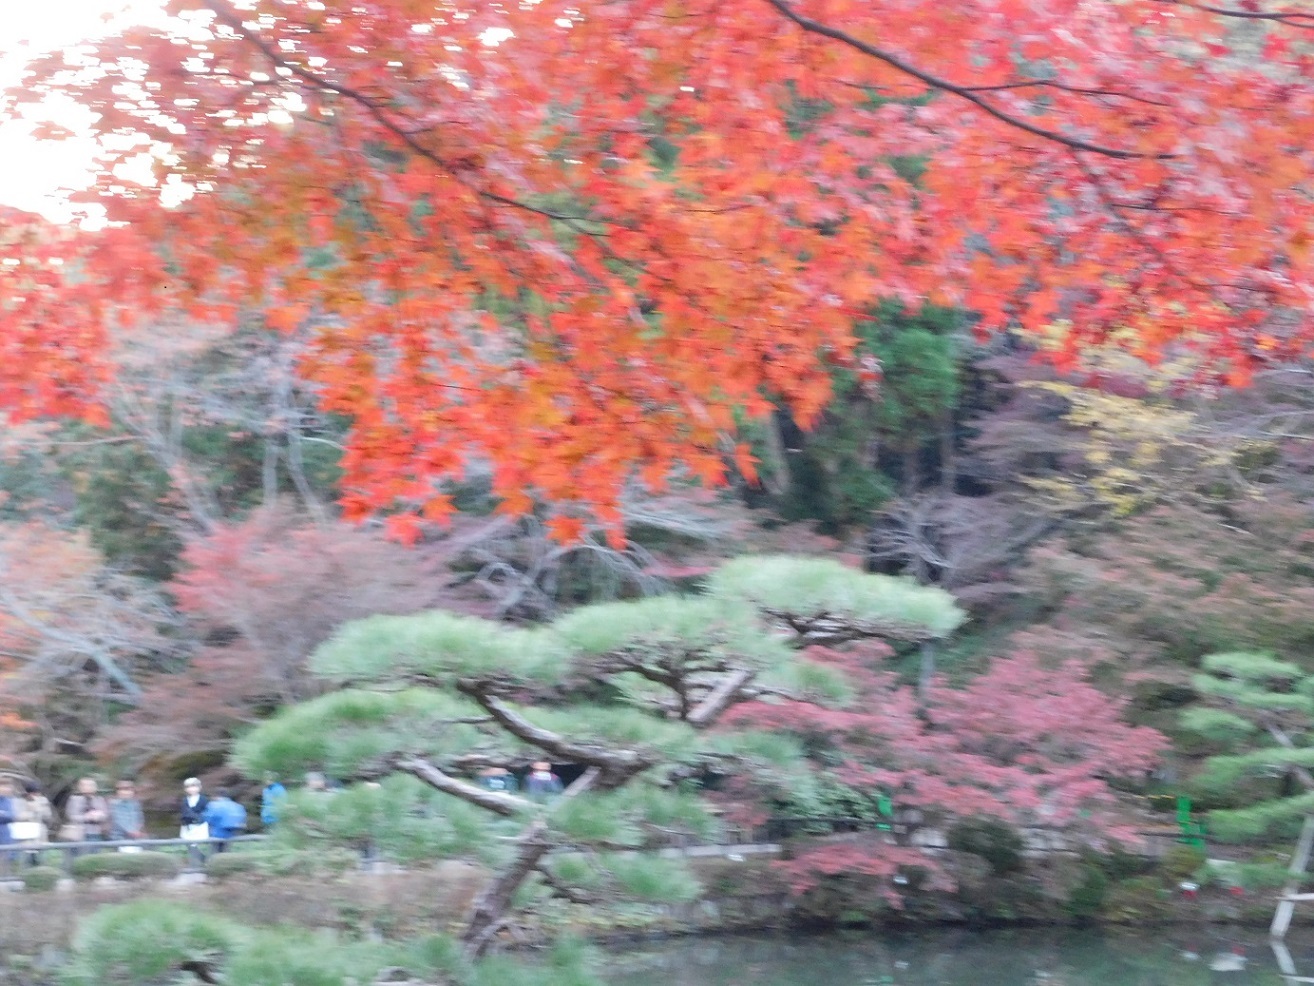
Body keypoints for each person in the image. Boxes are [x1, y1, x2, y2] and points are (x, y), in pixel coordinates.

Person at [13, 780, 52, 865]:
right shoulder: (19, 801)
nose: (35, 796)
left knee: (41, 862)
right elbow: (17, 816)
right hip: (25, 837)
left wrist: (39, 809)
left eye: (37, 793)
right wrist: (31, 812)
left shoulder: (43, 800)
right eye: (33, 793)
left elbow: (48, 816)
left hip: (40, 837)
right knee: (25, 862)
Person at [64, 777, 110, 849]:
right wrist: (87, 817)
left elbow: (105, 815)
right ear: (80, 787)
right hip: (78, 834)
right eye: (84, 785)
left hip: (95, 833)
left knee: (94, 853)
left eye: (90, 785)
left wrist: (98, 816)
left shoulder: (100, 800)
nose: (88, 788)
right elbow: (71, 816)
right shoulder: (74, 799)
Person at [179, 777, 210, 867]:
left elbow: (206, 812)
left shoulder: (203, 799)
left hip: (200, 825)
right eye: (189, 787)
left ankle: (203, 861)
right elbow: (184, 812)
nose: (191, 789)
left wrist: (198, 818)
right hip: (187, 825)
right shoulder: (185, 800)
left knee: (198, 844)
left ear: (199, 787)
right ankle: (198, 862)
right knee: (189, 844)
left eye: (194, 786)